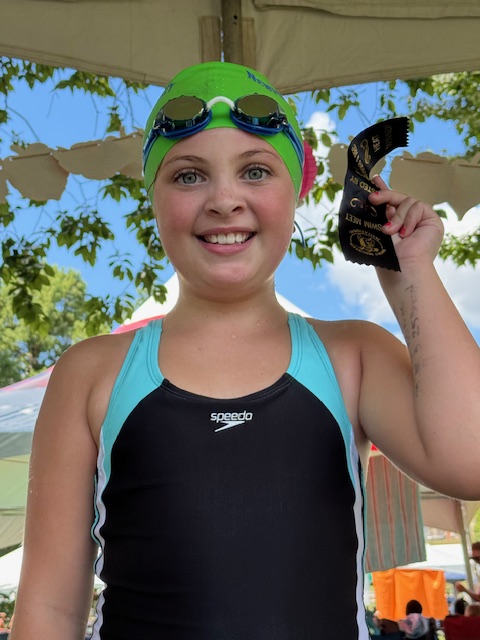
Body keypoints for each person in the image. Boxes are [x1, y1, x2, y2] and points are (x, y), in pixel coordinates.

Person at [9, 61, 480, 640]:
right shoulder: (93, 373)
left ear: (297, 191)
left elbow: (471, 460)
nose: (224, 199)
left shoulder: (352, 356)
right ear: (153, 198)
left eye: (255, 171)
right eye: (188, 176)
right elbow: (49, 609)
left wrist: (411, 276)